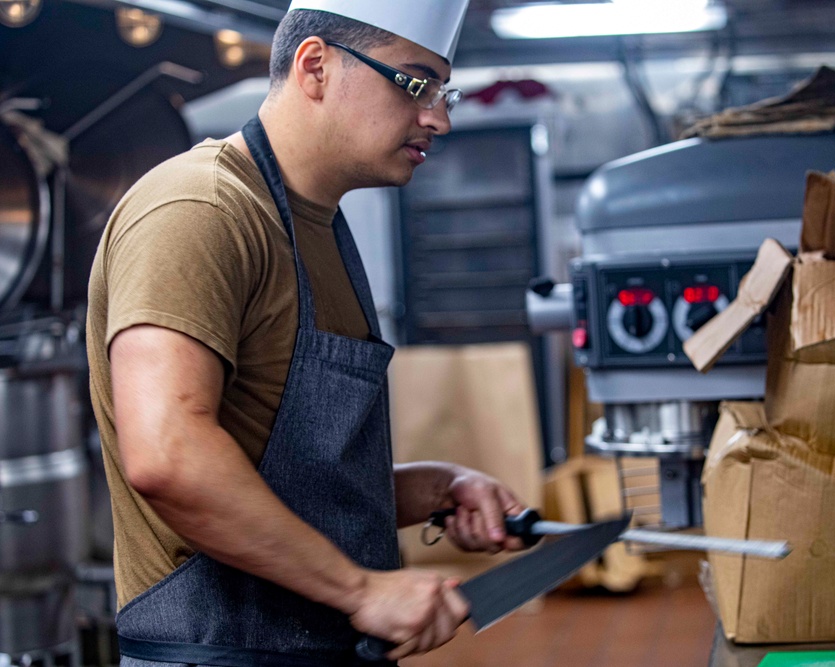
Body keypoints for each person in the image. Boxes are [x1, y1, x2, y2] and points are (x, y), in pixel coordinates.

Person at [85, 1, 528, 664]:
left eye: (445, 91)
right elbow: (169, 455)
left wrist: (434, 487)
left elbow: (288, 482)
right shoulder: (200, 210)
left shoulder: (315, 225)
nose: (439, 116)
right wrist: (360, 588)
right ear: (315, 66)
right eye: (416, 84)